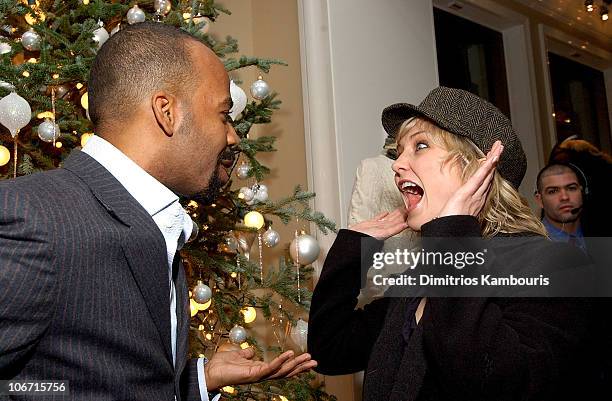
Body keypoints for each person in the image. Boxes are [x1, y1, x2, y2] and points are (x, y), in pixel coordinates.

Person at [0, 23, 315, 400]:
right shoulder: (33, 219)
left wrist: (196, 382)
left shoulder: (155, 224)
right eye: (223, 114)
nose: (232, 136)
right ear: (166, 111)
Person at [308, 87, 604, 401]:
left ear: (478, 170)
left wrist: (452, 237)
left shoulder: (556, 265)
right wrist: (354, 247)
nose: (396, 165)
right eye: (398, 153)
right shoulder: (421, 276)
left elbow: (490, 383)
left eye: (420, 145)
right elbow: (330, 348)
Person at [534, 163, 586, 251]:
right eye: (553, 191)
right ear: (540, 200)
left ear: (583, 193)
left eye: (571, 188)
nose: (564, 197)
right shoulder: (532, 245)